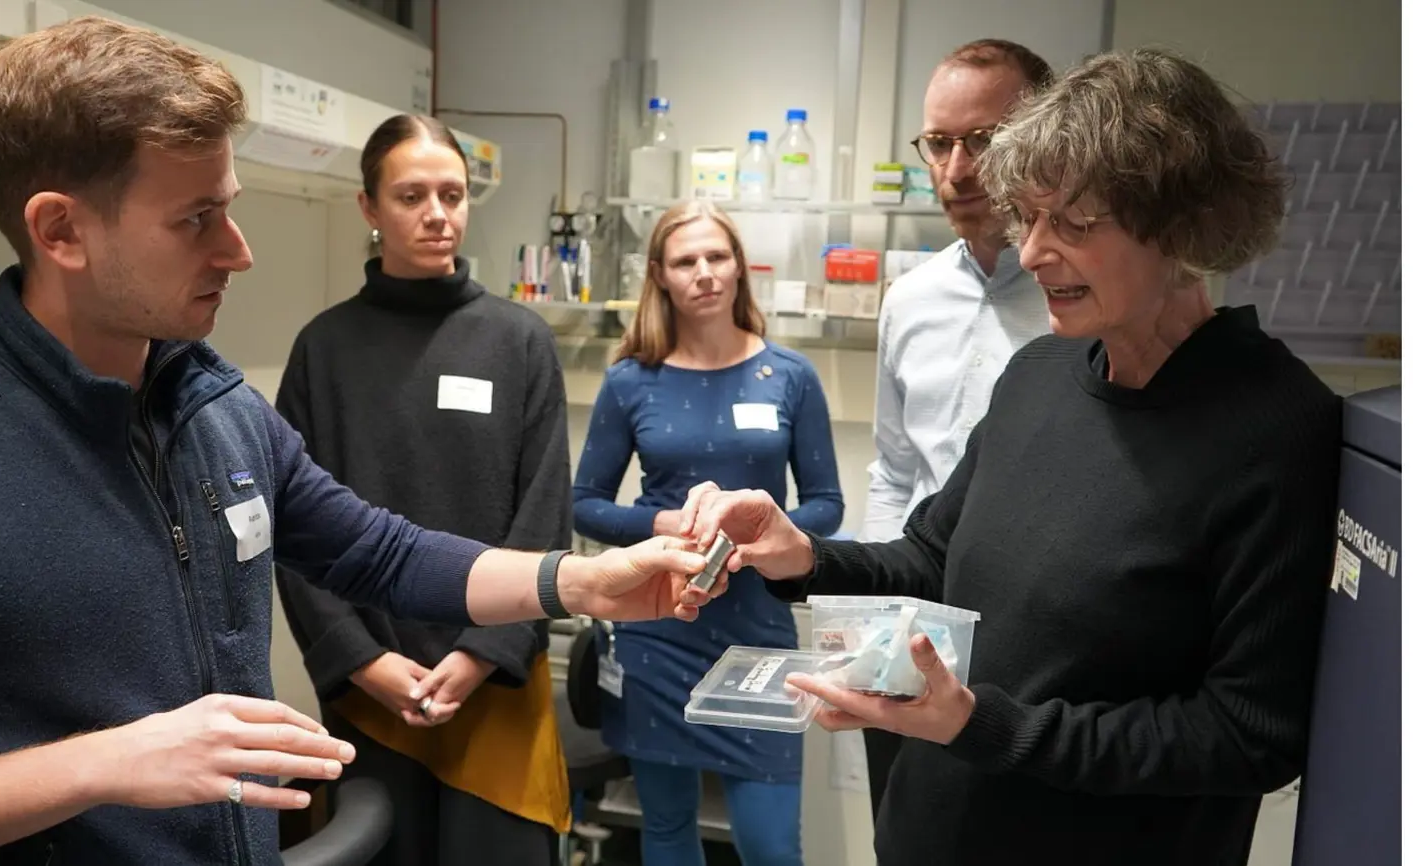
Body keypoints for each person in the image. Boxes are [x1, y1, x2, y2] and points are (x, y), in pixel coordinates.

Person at [0, 18, 719, 866]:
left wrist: (584, 581)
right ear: (60, 230)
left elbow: (381, 554)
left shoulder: (217, 408)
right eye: (197, 218)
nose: (237, 252)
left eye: (230, 208)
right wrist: (103, 764)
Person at [673, 47, 1342, 866]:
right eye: (1029, 219)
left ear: (1181, 229)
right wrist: (801, 555)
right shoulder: (1042, 375)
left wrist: (983, 725)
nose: (1031, 254)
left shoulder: (1275, 429)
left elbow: (1249, 736)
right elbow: (932, 556)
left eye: (1075, 224)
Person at [273, 113, 572, 866]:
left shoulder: (520, 341)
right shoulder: (324, 349)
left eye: (453, 194)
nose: (438, 214)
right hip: (375, 695)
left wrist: (481, 653)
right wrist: (362, 662)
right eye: (411, 196)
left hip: (497, 685)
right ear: (370, 209)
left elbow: (544, 514)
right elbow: (290, 527)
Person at [572, 200, 844, 866]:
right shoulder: (631, 380)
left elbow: (827, 505)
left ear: (739, 268)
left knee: (771, 844)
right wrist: (662, 522)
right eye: (686, 260)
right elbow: (584, 504)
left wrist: (762, 537)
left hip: (759, 632)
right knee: (665, 828)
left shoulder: (789, 376)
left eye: (716, 256)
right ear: (661, 276)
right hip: (659, 629)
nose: (704, 273)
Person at [856, 37, 1054, 815]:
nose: (958, 170)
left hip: (1033, 635)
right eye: (939, 143)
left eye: (985, 140)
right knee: (903, 830)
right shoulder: (909, 299)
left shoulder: (1077, 298)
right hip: (916, 625)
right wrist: (876, 617)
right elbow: (894, 469)